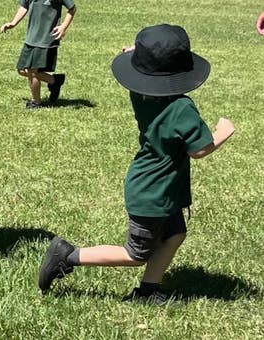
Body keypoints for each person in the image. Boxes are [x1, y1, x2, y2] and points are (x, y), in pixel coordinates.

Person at [38, 24, 235, 303]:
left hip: (156, 186)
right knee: (135, 254)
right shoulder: (181, 108)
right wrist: (223, 131)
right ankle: (68, 256)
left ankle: (148, 291)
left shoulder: (141, 96)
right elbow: (199, 150)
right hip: (153, 193)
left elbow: (141, 78)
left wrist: (138, 56)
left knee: (175, 234)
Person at [0, 0, 76, 108]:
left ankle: (36, 101)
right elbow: (24, 6)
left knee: (33, 72)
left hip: (46, 38)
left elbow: (72, 8)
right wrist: (13, 22)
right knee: (22, 70)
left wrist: (63, 27)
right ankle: (55, 81)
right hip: (31, 37)